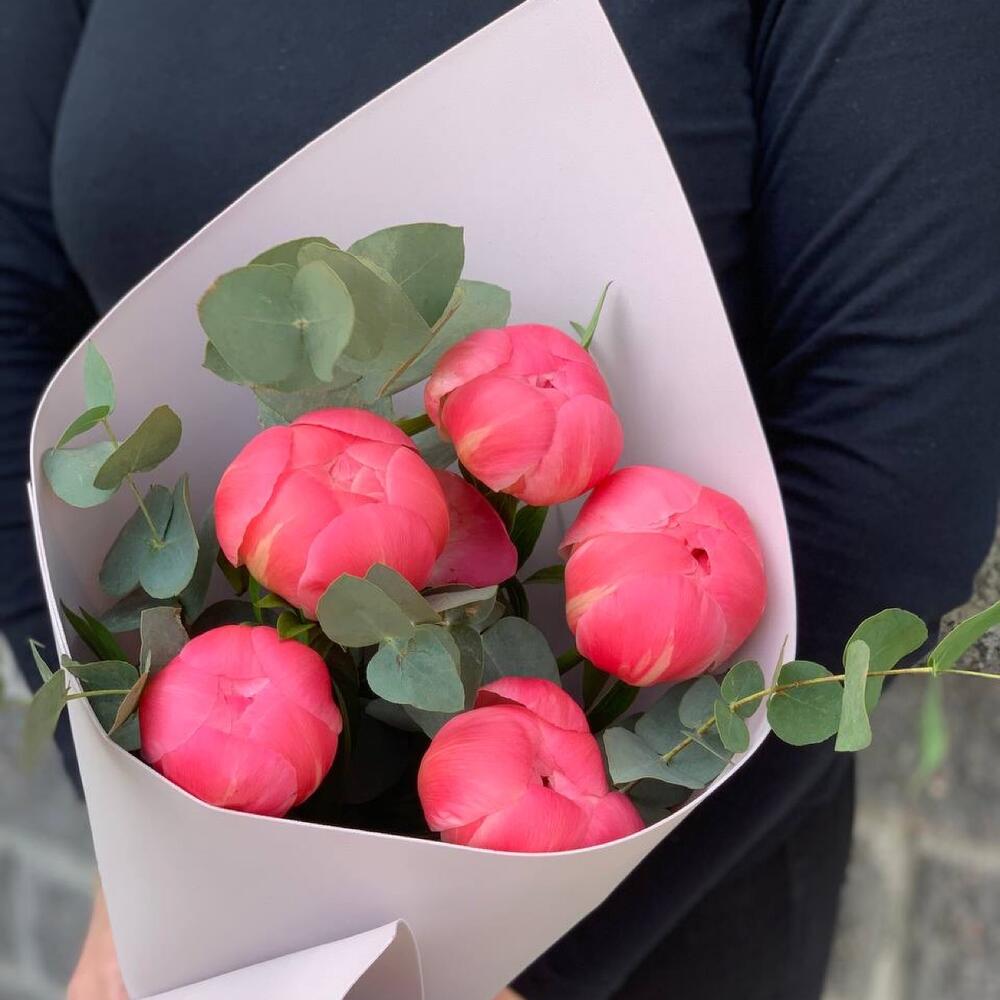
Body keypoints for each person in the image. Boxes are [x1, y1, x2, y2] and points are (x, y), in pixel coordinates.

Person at [4, 2, 999, 998]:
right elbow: (10, 289)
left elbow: (898, 455)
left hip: (640, 920)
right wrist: (136, 805)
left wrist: (518, 968)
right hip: (193, 904)